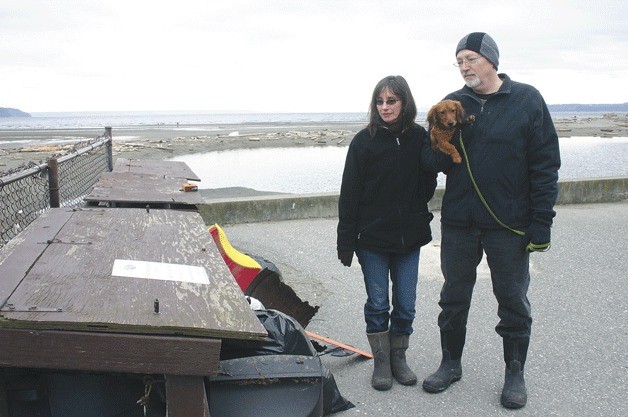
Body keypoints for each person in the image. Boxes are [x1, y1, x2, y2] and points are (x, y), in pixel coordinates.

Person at [421, 33, 561, 409]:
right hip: (460, 223)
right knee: (453, 297)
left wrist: (542, 222)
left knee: (513, 300)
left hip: (508, 225)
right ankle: (450, 364)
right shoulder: (452, 104)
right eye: (459, 61)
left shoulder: (527, 100)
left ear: (491, 61)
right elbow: (430, 164)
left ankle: (514, 371)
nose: (464, 67)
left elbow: (545, 165)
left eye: (470, 59)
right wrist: (437, 144)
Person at [337, 75, 450, 391]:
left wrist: (414, 210)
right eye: (380, 101)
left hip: (409, 239)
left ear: (404, 103)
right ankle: (382, 362)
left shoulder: (418, 137)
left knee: (406, 304)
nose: (385, 107)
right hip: (371, 240)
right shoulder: (364, 141)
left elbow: (429, 179)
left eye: (391, 101)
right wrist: (345, 241)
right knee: (377, 303)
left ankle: (399, 358)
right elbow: (350, 194)